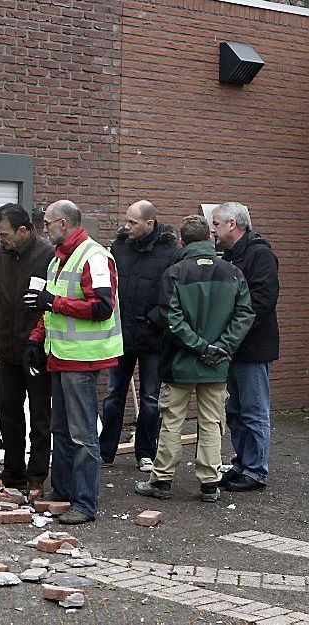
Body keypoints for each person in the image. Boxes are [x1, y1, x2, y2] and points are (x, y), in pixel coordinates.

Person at [135, 215, 253, 503]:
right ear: (210, 239)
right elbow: (244, 315)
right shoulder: (233, 273)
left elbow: (171, 320)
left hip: (179, 361)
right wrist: (219, 347)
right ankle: (210, 484)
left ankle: (161, 481)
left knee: (172, 420)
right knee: (212, 422)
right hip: (217, 364)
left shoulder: (175, 273)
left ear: (182, 241)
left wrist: (199, 346)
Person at [24, 200, 122, 524]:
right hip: (60, 356)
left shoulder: (93, 257)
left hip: (82, 359)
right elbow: (50, 307)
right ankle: (63, 492)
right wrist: (36, 340)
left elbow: (101, 307)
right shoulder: (58, 261)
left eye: (48, 223)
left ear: (63, 224)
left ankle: (84, 503)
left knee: (82, 435)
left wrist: (54, 302)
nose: (44, 228)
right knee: (60, 429)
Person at [100, 200, 178, 472]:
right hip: (121, 335)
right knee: (113, 395)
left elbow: (173, 294)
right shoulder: (119, 247)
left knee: (150, 398)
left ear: (150, 223)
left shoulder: (169, 252)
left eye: (133, 222)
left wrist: (153, 319)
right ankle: (105, 451)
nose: (126, 226)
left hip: (153, 337)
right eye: (127, 220)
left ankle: (146, 453)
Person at [0, 203, 54, 492]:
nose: (0, 239)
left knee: (39, 415)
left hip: (35, 350)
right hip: (7, 349)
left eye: (4, 234)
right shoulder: (0, 254)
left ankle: (37, 474)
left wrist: (41, 343)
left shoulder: (48, 256)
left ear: (23, 230)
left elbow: (52, 306)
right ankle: (13, 472)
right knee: (8, 411)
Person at [212, 202, 279, 492]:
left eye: (216, 224)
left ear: (232, 224)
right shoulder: (231, 256)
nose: (212, 229)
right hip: (235, 347)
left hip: (252, 348)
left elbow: (262, 301)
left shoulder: (260, 254)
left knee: (253, 410)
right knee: (236, 410)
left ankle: (256, 470)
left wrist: (234, 332)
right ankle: (242, 462)